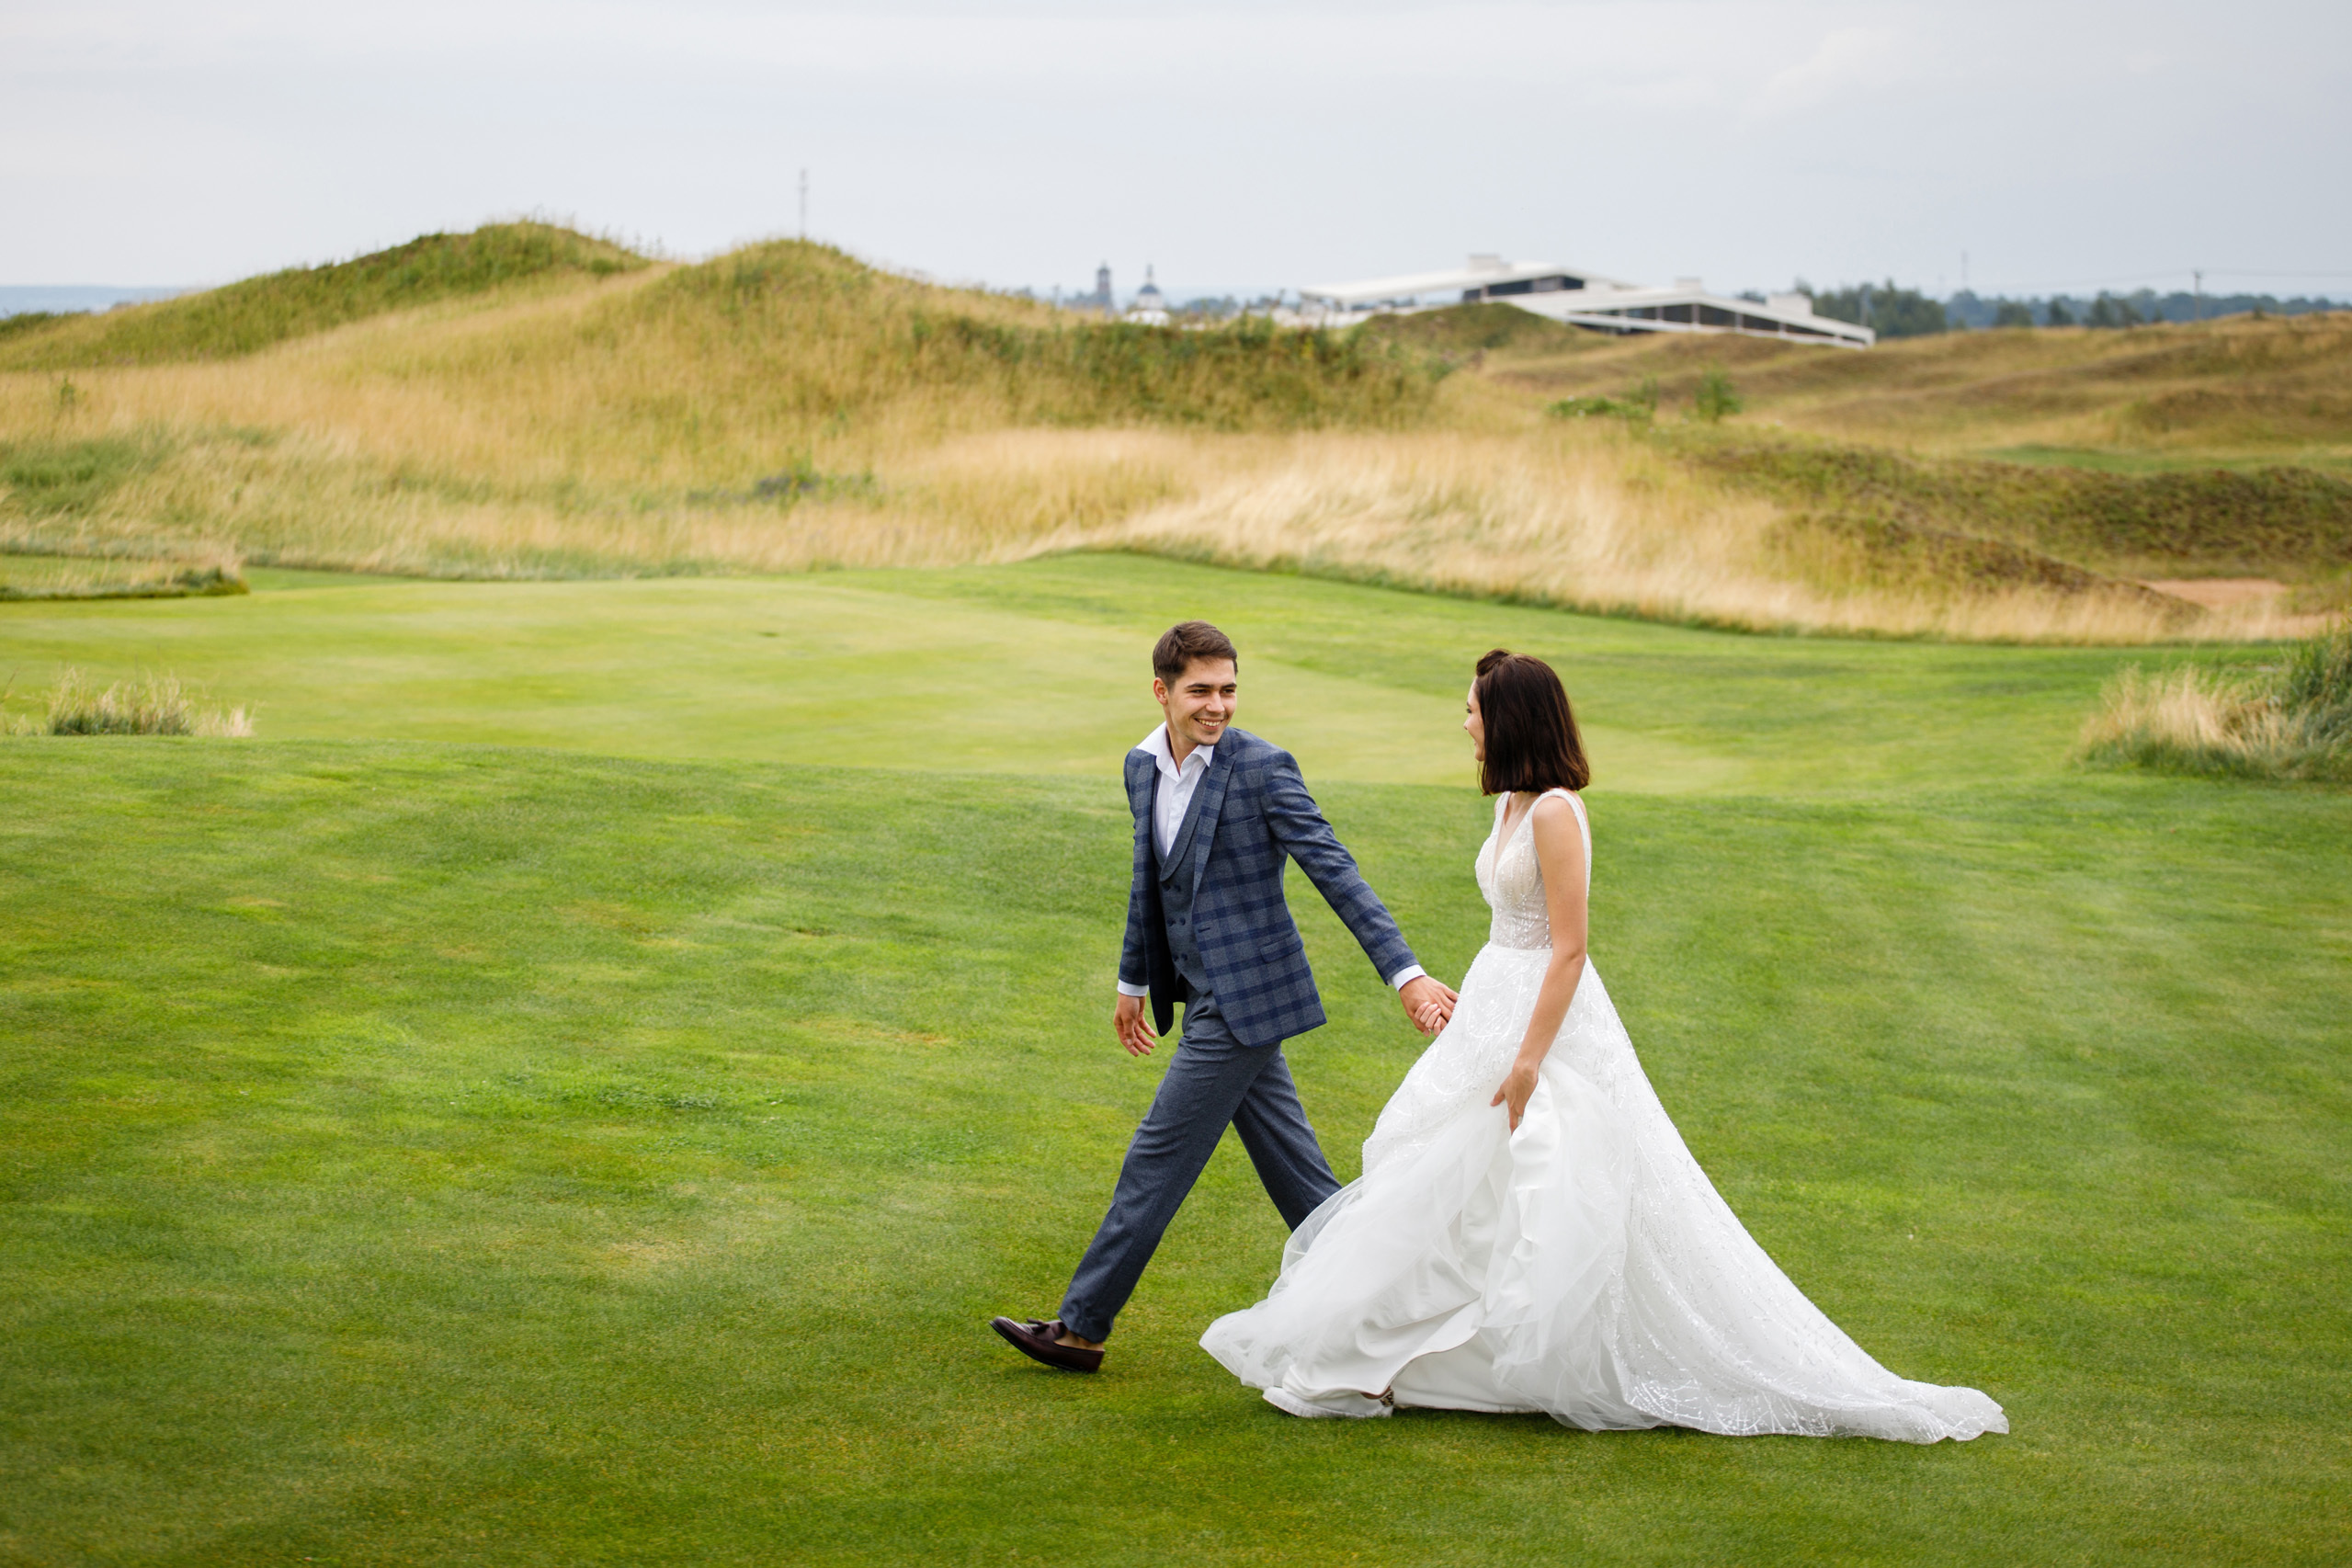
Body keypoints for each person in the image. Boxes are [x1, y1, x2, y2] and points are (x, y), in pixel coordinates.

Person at [1199, 650, 2008, 1442]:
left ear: (1510, 720)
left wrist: (1526, 1061)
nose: (1465, 725)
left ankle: (1379, 1361)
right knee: (1450, 1180)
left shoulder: (1555, 810)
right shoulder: (1509, 804)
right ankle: (1378, 1357)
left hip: (1546, 1019)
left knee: (1525, 1180)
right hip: (1492, 1000)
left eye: (1474, 712)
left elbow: (1569, 948)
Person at [992, 620, 1460, 1373]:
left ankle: (1081, 1328)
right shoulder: (1140, 767)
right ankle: (1397, 1316)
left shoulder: (1264, 769)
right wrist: (1132, 981)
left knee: (1156, 1157)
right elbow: (1150, 881)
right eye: (1201, 690)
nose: (1217, 706)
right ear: (1162, 691)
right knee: (1303, 1184)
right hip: (1201, 993)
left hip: (1243, 1004)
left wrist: (1405, 976)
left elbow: (1335, 873)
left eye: (1229, 690)